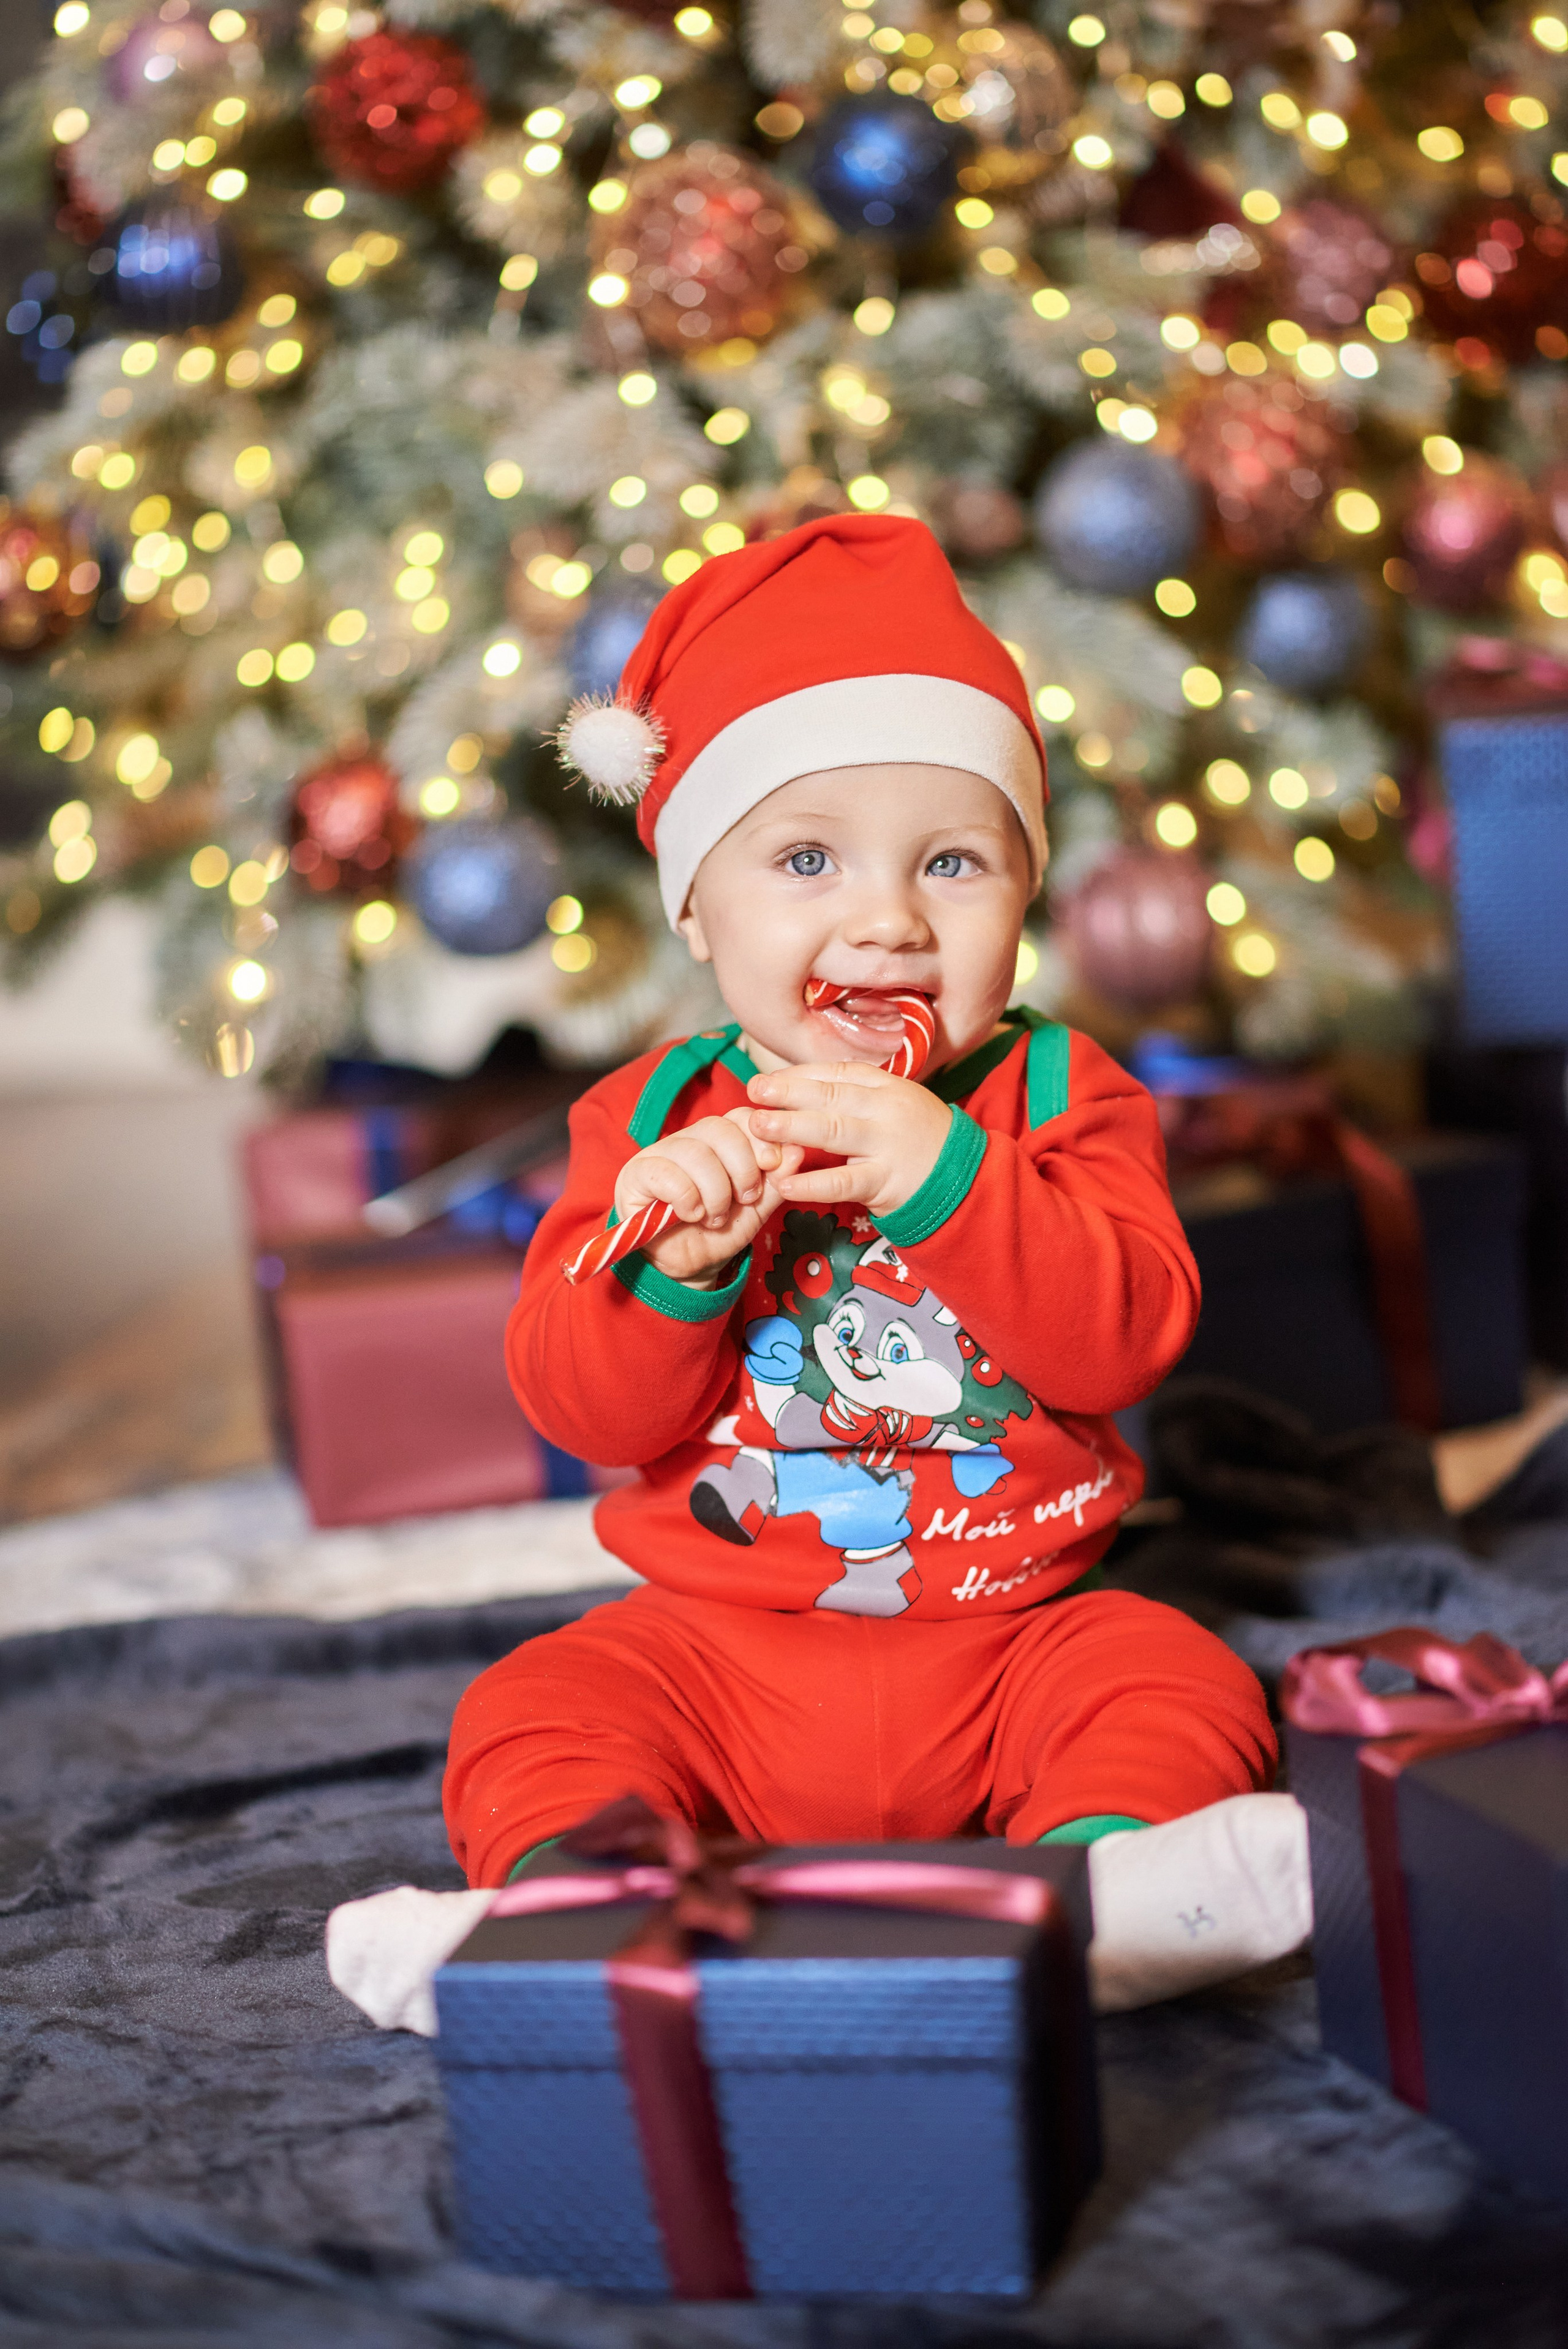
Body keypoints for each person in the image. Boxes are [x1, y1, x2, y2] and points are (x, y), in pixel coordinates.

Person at [443, 512, 1276, 1898]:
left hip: (1014, 1634)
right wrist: (678, 1271)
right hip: (720, 1646)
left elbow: (1121, 1341)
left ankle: (1104, 1893)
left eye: (951, 862)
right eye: (807, 860)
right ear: (697, 910)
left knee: (1176, 1679)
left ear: (1025, 900)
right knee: (534, 1707)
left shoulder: (1063, 1090)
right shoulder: (650, 1123)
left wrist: (947, 1175)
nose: (888, 920)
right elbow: (581, 1410)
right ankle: (587, 1897)